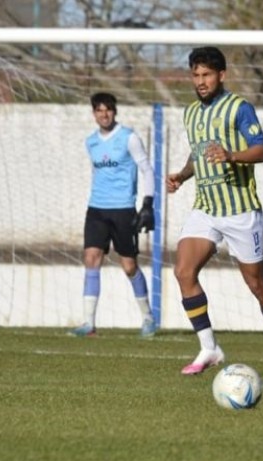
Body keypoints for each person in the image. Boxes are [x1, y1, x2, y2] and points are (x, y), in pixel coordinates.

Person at [166, 46, 263, 379]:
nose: (201, 81)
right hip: (206, 207)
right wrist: (182, 176)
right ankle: (209, 347)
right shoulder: (191, 113)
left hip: (240, 210)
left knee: (257, 285)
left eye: (207, 75)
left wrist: (231, 155)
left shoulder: (239, 108)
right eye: (196, 75)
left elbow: (262, 150)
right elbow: (198, 154)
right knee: (183, 271)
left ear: (221, 75)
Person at [71, 92, 156, 338]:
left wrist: (147, 204)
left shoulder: (129, 138)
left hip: (123, 210)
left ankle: (148, 317)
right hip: (96, 209)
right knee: (91, 258)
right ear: (94, 114)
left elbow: (146, 170)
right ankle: (88, 323)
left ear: (114, 111)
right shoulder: (91, 142)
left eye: (108, 109)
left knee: (129, 266)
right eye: (99, 110)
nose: (104, 114)